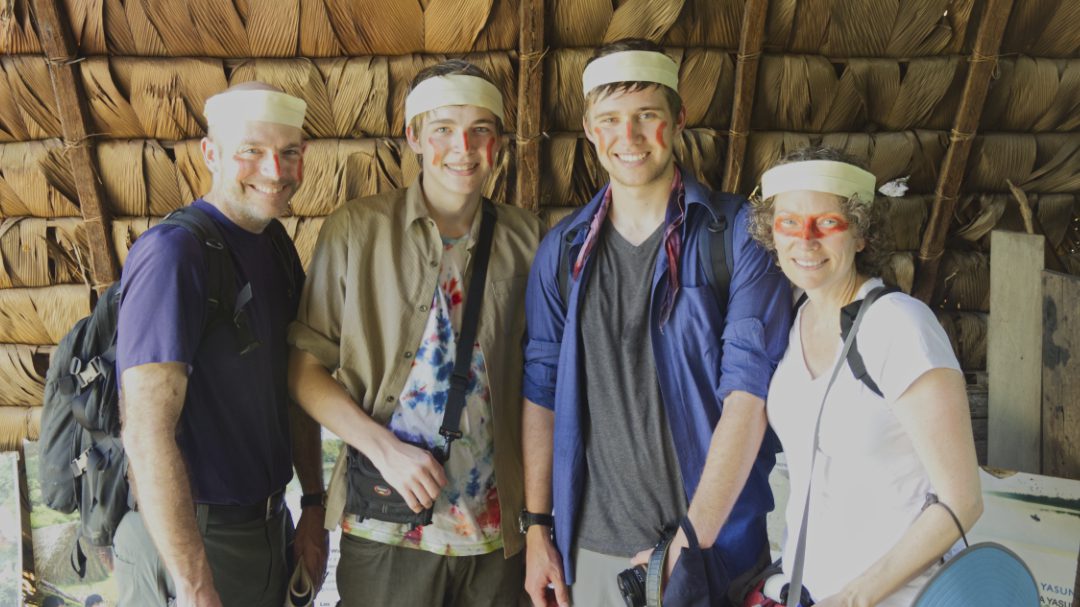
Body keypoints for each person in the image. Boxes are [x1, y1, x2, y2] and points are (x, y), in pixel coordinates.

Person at [521, 39, 793, 607]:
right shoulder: (562, 252)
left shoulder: (736, 235)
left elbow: (750, 395)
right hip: (594, 555)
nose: (630, 137)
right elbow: (542, 393)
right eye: (611, 120)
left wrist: (689, 544)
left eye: (648, 116)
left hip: (713, 552)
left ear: (679, 119)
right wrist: (538, 527)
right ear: (591, 130)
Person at [288, 60, 542, 606]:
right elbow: (303, 368)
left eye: (481, 130)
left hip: (498, 539)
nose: (463, 147)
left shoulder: (529, 238)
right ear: (414, 138)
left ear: (497, 144)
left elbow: (544, 379)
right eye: (444, 129)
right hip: (385, 528)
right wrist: (384, 448)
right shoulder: (356, 230)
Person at [115, 82, 328, 607]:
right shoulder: (175, 254)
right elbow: (145, 430)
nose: (274, 172)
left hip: (268, 524)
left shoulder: (274, 244)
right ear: (210, 154)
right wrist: (193, 583)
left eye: (289, 153)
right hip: (196, 536)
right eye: (251, 152)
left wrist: (314, 506)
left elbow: (295, 385)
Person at [747, 146, 983, 606]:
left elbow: (962, 502)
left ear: (860, 234)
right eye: (789, 222)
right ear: (771, 234)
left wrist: (854, 598)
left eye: (827, 223)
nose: (806, 240)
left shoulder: (899, 326)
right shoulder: (795, 322)